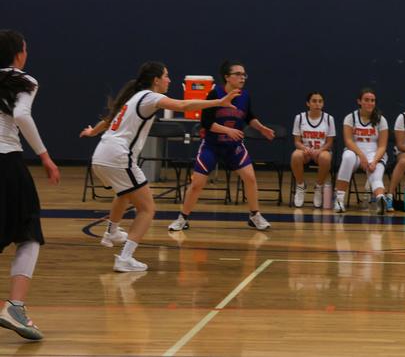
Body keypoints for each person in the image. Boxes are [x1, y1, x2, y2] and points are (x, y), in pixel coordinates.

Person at [81, 62, 239, 271]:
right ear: (156, 80)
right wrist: (219, 101)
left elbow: (110, 119)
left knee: (124, 193)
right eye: (166, 76)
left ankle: (112, 232)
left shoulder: (134, 97)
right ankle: (125, 258)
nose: (169, 80)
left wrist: (93, 132)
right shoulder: (150, 97)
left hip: (101, 155)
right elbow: (184, 105)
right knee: (147, 209)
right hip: (118, 156)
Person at [168, 60, 276, 232]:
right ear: (227, 77)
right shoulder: (214, 94)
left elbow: (249, 117)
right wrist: (227, 130)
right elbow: (206, 122)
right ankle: (183, 218)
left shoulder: (244, 96)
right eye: (238, 74)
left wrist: (261, 128)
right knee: (197, 183)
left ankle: (255, 216)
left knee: (250, 177)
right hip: (212, 145)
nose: (242, 77)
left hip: (233, 146)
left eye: (244, 74)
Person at [0, 31, 59, 341]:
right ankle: (15, 307)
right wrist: (45, 156)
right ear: (18, 53)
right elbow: (21, 115)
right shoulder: (24, 80)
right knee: (29, 230)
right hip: (6, 161)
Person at [334, 88, 390, 214]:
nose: (370, 103)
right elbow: (348, 141)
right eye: (366, 100)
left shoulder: (381, 120)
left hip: (375, 154)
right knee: (347, 157)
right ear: (359, 101)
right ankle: (339, 200)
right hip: (355, 152)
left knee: (375, 172)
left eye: (372, 100)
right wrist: (362, 156)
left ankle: (380, 199)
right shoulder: (350, 118)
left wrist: (374, 161)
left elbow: (382, 146)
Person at [290, 92, 335, 208]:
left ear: (323, 103)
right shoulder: (300, 118)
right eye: (314, 101)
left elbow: (330, 142)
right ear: (308, 103)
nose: (317, 104)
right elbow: (297, 141)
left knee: (326, 157)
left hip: (321, 151)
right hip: (305, 151)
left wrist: (319, 150)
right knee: (295, 155)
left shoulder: (329, 119)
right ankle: (301, 186)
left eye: (320, 101)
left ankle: (318, 187)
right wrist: (305, 148)